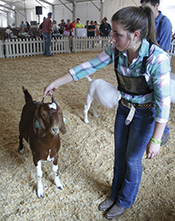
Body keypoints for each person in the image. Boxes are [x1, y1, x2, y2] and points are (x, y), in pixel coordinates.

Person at [43, 6, 171, 220]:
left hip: (145, 114)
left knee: (132, 160)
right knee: (119, 155)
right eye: (112, 32)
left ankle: (125, 200)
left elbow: (163, 103)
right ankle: (114, 194)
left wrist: (156, 140)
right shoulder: (117, 51)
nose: (111, 38)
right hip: (124, 109)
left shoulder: (157, 59)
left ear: (135, 35)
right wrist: (57, 82)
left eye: (117, 34)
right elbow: (89, 66)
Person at [141, 0, 172, 145]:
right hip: (146, 64)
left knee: (160, 99)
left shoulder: (164, 23)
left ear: (156, 6)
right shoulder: (145, 20)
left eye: (147, 7)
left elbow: (163, 49)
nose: (144, 10)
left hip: (158, 65)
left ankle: (164, 132)